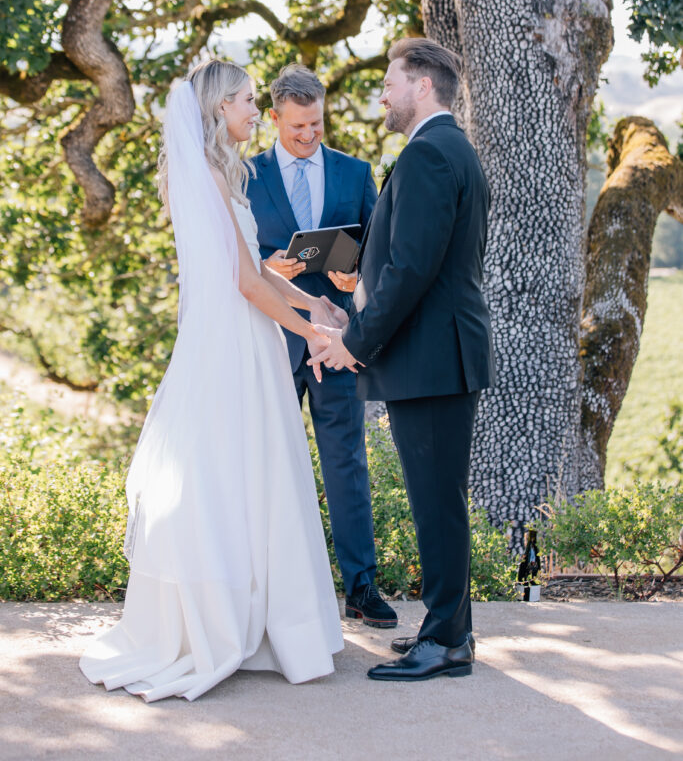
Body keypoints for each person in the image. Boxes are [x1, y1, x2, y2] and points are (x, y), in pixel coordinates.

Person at [79, 59, 344, 701]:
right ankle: (236, 628)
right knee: (241, 477)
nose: (258, 111)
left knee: (238, 476)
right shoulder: (211, 183)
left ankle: (249, 622)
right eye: (249, 101)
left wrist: (317, 306)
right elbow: (245, 282)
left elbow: (254, 269)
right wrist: (311, 334)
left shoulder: (208, 177)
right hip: (233, 347)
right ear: (219, 108)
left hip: (231, 339)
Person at [310, 37, 495, 682]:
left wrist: (354, 343)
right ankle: (449, 629)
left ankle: (446, 642)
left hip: (435, 360)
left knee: (437, 500)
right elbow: (415, 263)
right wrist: (355, 296)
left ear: (422, 84)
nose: (382, 93)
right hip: (439, 356)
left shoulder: (428, 156)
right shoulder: (449, 151)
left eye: (390, 81)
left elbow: (414, 271)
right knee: (437, 497)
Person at [247, 65, 397, 629]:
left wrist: (354, 274)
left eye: (316, 124)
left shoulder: (355, 172)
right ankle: (267, 592)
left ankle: (362, 587)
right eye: (297, 127)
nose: (309, 135)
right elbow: (235, 261)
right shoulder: (244, 176)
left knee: (346, 465)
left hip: (336, 341)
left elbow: (382, 250)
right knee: (266, 466)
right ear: (275, 118)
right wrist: (267, 266)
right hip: (269, 341)